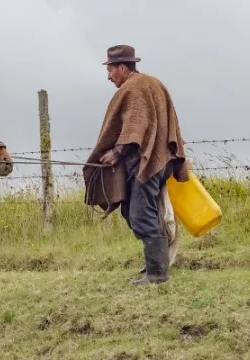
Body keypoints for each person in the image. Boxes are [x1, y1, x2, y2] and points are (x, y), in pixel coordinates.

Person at [82, 44, 189, 285]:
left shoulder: (135, 87)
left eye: (110, 70)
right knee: (135, 212)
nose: (109, 76)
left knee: (141, 215)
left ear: (122, 67)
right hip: (155, 160)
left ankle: (158, 275)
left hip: (147, 162)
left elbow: (135, 126)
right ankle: (156, 265)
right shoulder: (152, 83)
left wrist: (117, 152)